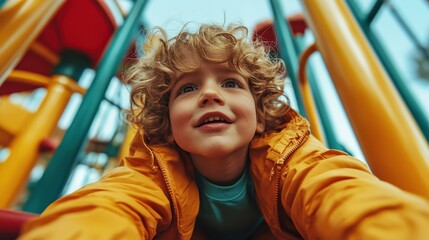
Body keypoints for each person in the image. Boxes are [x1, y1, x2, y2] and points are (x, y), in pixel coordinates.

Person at [19, 23, 429, 239]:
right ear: (166, 118)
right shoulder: (152, 172)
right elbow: (105, 210)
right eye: (188, 88)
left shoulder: (291, 157)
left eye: (231, 83)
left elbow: (342, 194)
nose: (209, 96)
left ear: (258, 108)